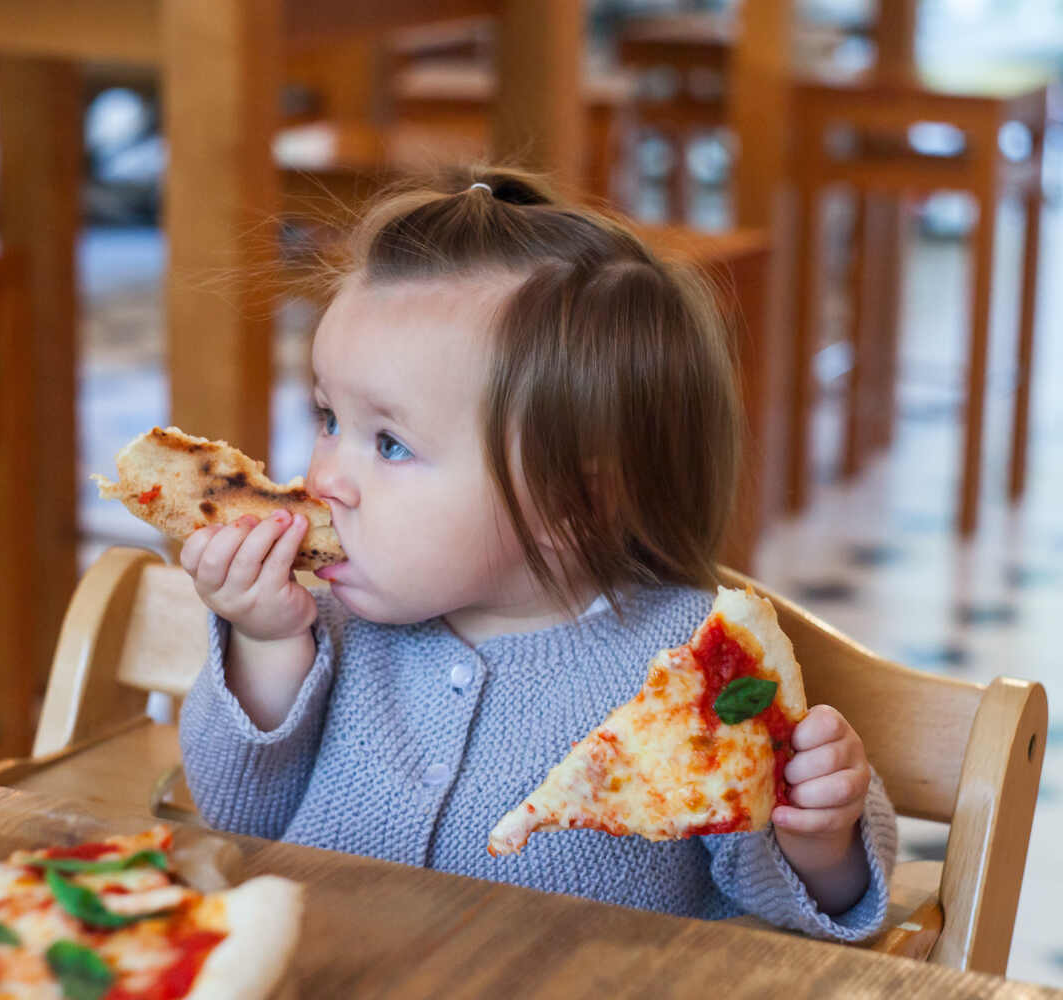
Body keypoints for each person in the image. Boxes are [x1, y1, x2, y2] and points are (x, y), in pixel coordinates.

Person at [177, 168, 896, 939]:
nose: (324, 479)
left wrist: (821, 841)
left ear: (571, 499)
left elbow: (804, 909)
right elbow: (237, 814)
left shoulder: (694, 666)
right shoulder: (322, 622)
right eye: (327, 418)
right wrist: (266, 646)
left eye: (389, 443)